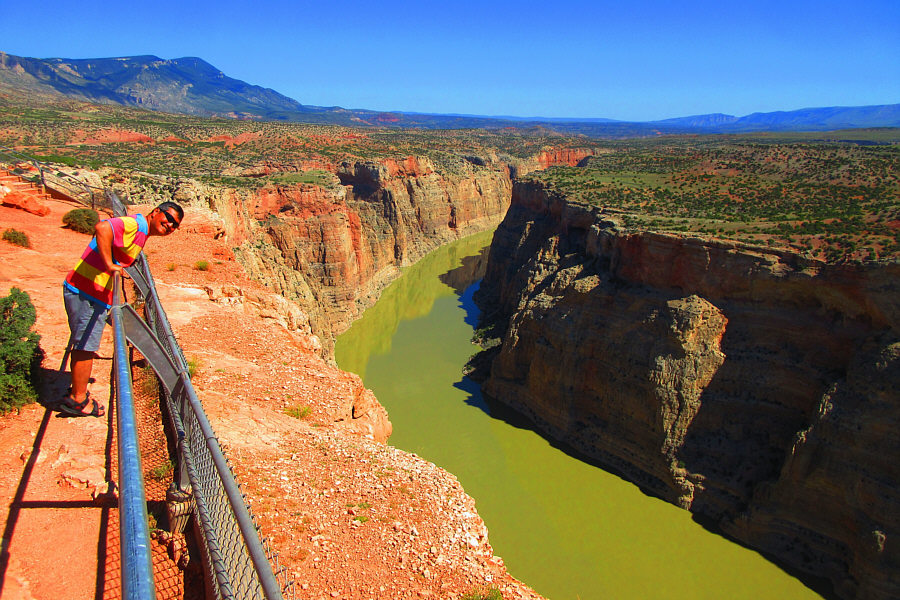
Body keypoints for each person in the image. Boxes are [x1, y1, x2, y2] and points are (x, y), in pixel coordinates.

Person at [58, 201, 183, 417]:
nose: (170, 225)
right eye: (169, 218)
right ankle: (77, 400)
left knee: (85, 343)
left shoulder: (143, 231)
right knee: (85, 346)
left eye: (175, 225)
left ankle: (77, 390)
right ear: (155, 212)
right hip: (87, 291)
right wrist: (109, 264)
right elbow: (102, 228)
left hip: (92, 292)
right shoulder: (137, 225)